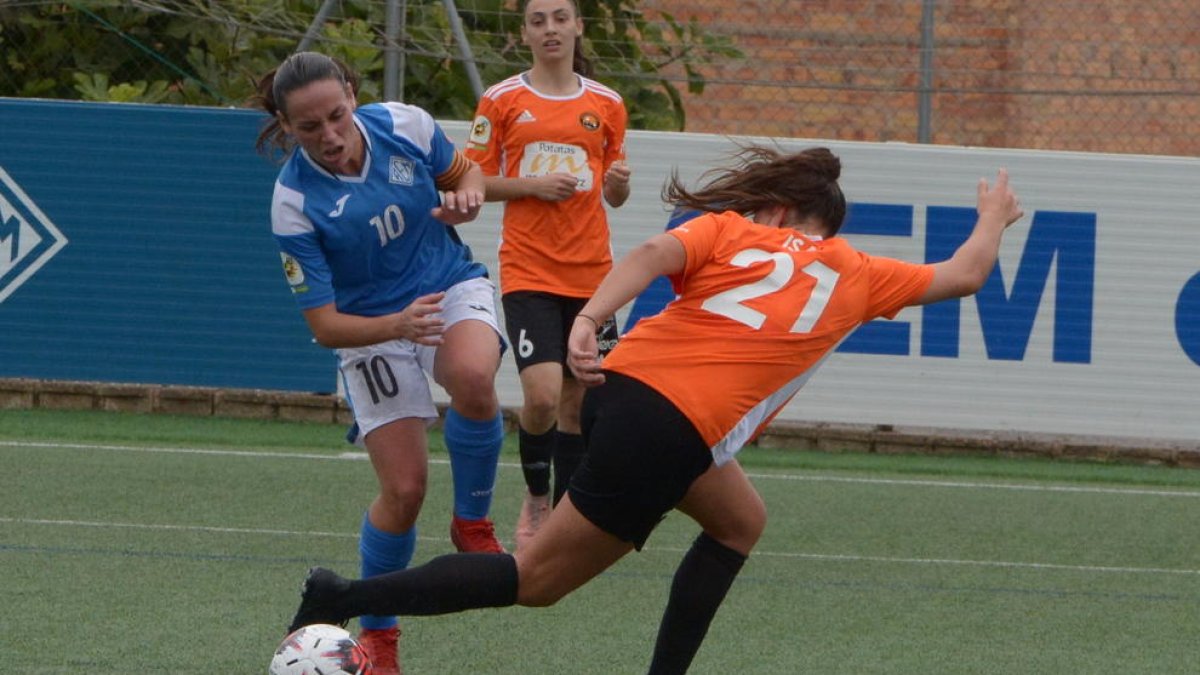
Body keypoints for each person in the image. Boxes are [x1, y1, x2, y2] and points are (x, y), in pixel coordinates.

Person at [281, 145, 1024, 674]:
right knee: (535, 581)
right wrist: (993, 214)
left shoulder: (730, 231)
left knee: (741, 519)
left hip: (618, 386)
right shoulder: (856, 269)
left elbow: (648, 259)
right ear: (816, 220)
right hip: (672, 428)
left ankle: (575, 492)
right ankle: (342, 596)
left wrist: (587, 319)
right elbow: (967, 272)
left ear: (775, 209)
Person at [253, 51, 509, 674]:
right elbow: (324, 326)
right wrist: (394, 327)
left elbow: (466, 174)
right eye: (309, 128)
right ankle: (381, 641)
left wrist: (469, 196)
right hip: (369, 330)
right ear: (286, 127)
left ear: (351, 91)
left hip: (445, 285)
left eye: (337, 116)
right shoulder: (292, 202)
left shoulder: (407, 125)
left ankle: (473, 523)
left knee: (474, 377)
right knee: (403, 490)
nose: (330, 136)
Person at [464, 0, 631, 550]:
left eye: (560, 17)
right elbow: (472, 182)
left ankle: (567, 518)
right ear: (526, 33)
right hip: (529, 269)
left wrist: (619, 185)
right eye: (539, 20)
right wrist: (532, 186)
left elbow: (613, 192)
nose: (550, 28)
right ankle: (536, 499)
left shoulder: (607, 103)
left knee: (581, 402)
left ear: (578, 26)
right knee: (540, 396)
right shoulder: (502, 99)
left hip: (592, 276)